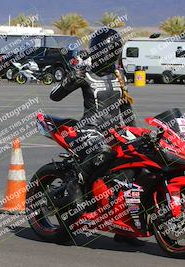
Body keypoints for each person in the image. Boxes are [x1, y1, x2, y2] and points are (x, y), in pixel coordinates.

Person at [50, 28, 143, 246]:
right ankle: (74, 188)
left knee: (138, 162)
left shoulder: (120, 75)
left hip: (115, 131)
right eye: (109, 50)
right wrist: (70, 78)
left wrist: (136, 135)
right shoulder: (86, 73)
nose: (112, 55)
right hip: (90, 131)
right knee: (101, 152)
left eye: (115, 50)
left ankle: (125, 229)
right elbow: (54, 96)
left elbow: (126, 108)